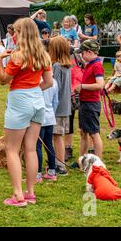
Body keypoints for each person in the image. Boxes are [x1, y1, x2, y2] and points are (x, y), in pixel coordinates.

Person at [0, 17, 53, 207]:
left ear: (22, 33)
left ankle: (17, 195)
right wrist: (33, 89)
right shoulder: (43, 55)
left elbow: (4, 79)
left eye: (15, 32)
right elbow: (48, 83)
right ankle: (30, 192)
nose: (13, 35)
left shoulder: (18, 55)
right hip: (37, 100)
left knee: (12, 149)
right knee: (30, 148)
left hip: (19, 99)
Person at [74, 39, 105, 159]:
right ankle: (82, 159)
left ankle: (99, 162)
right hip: (85, 102)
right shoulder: (91, 64)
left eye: (82, 53)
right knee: (83, 132)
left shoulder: (97, 65)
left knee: (94, 134)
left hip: (91, 104)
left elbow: (100, 84)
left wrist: (82, 86)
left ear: (89, 52)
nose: (81, 55)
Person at [48, 36, 72, 176]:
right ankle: (58, 162)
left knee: (56, 136)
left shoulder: (56, 66)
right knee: (58, 136)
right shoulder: (66, 66)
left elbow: (53, 87)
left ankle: (60, 165)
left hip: (57, 108)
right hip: (65, 107)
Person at [36, 78, 58, 183]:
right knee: (49, 145)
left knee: (37, 147)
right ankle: (52, 171)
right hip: (50, 116)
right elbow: (55, 101)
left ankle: (37, 174)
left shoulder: (36, 79)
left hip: (39, 118)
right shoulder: (54, 81)